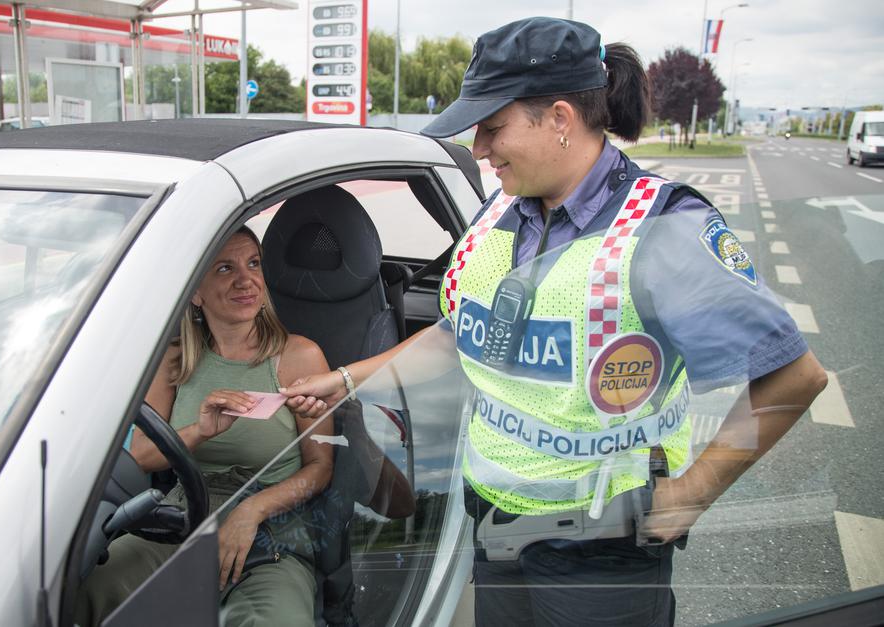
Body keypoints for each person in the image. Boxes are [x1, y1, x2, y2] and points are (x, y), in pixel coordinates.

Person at [282, 17, 828, 627]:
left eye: (493, 128)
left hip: (602, 550)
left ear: (561, 120)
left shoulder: (662, 229)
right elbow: (461, 337)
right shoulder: (503, 213)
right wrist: (348, 379)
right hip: (498, 523)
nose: (480, 149)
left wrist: (691, 493)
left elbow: (794, 377)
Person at [77, 227, 334, 627]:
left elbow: (320, 468)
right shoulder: (173, 360)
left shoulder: (299, 356)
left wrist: (251, 511)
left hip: (273, 532)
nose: (245, 279)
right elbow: (140, 456)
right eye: (225, 268)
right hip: (185, 519)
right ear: (196, 291)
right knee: (85, 591)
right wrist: (200, 430)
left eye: (253, 264)